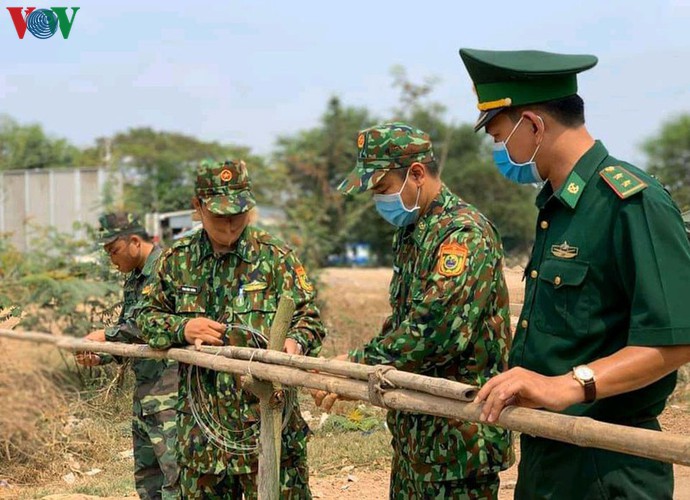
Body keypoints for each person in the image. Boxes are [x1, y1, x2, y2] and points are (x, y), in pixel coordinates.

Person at [459, 47, 690, 499]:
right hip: (551, 454)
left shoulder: (630, 203)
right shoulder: (559, 207)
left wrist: (569, 385)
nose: (499, 151)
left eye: (499, 136)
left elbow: (676, 338)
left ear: (533, 125)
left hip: (608, 462)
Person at [315, 122, 513, 499]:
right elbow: (402, 321)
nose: (379, 200)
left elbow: (435, 332)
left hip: (459, 444)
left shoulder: (461, 234)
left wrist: (357, 364)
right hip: (416, 436)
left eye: (382, 188)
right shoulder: (412, 232)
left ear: (417, 174)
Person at [136, 159, 326, 499]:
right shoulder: (176, 261)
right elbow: (145, 318)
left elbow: (310, 317)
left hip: (269, 429)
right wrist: (182, 327)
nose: (229, 225)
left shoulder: (275, 257)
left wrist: (296, 342)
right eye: (219, 215)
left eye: (238, 214)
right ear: (197, 207)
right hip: (203, 439)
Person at [76, 212, 180, 499]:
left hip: (171, 394)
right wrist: (102, 356)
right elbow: (129, 335)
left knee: (176, 478)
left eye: (114, 251)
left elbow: (152, 325)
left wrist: (103, 337)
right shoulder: (134, 278)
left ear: (134, 241)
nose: (112, 260)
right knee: (148, 481)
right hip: (145, 394)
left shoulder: (167, 269)